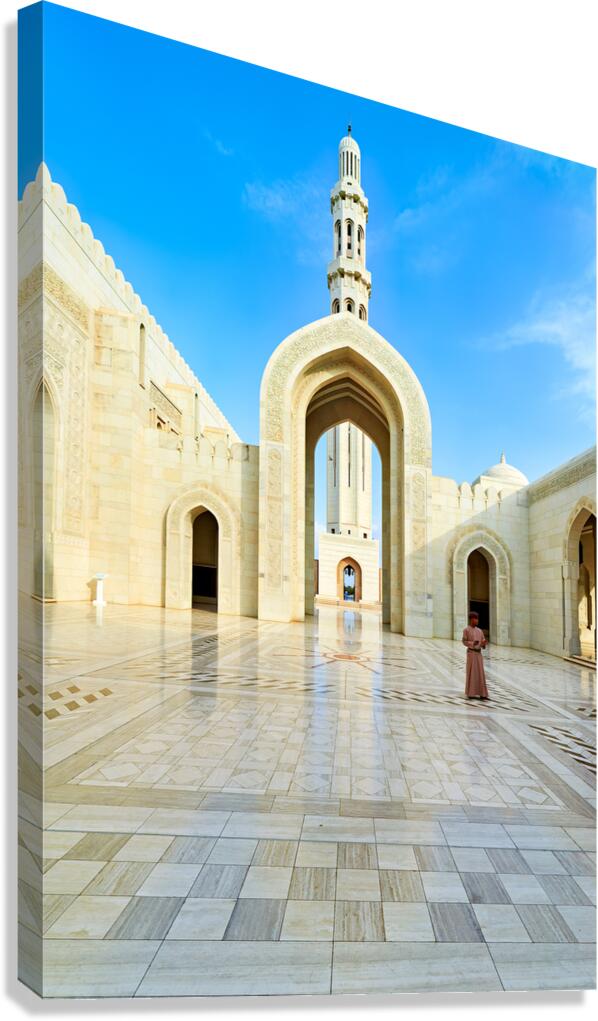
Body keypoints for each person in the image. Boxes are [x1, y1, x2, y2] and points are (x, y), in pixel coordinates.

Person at [462, 611, 489, 699]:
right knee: (472, 673)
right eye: (475, 619)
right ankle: (471, 693)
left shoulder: (480, 631)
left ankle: (482, 694)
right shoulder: (466, 630)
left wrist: (484, 644)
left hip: (478, 654)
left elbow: (483, 642)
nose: (476, 621)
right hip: (471, 654)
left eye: (477, 619)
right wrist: (472, 643)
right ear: (471, 619)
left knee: (480, 674)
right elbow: (464, 642)